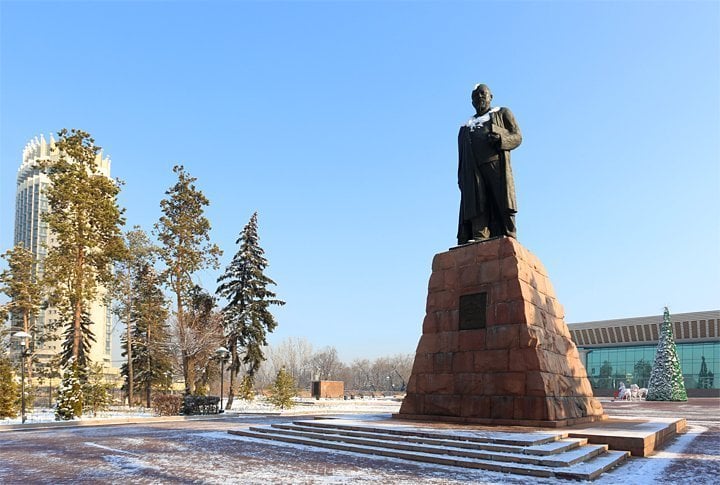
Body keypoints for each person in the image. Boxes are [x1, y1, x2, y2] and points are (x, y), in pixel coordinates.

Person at [457, 84, 522, 244]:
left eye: (482, 93)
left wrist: (501, 139)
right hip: (472, 170)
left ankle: (509, 236)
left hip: (495, 165)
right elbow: (461, 155)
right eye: (475, 95)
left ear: (490, 96)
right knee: (476, 204)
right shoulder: (466, 126)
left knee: (501, 201)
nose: (479, 97)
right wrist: (461, 177)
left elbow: (517, 136)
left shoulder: (502, 113)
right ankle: (480, 238)